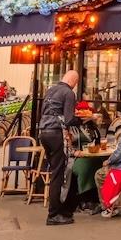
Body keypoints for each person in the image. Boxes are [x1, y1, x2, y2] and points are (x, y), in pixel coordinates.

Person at [39, 70, 81, 226]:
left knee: (54, 170)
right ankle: (54, 213)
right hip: (56, 134)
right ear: (74, 80)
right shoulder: (68, 93)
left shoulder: (51, 90)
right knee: (58, 173)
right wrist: (83, 121)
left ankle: (59, 209)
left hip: (43, 133)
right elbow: (69, 119)